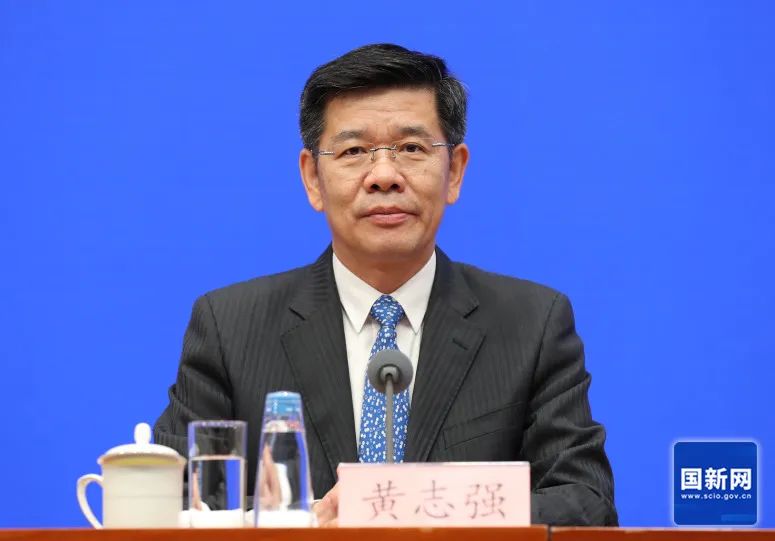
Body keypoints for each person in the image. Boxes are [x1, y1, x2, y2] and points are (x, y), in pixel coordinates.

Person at [154, 43, 618, 526]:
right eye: (354, 151)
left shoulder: (531, 324)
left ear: (455, 171)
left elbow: (586, 505)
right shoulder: (231, 328)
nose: (383, 176)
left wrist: (410, 508)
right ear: (312, 178)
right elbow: (169, 508)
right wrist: (295, 524)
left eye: (412, 149)